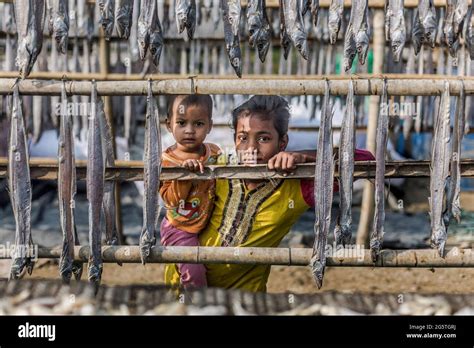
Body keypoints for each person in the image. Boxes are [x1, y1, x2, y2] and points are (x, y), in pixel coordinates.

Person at [165, 95, 375, 292]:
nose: (251, 148)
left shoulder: (297, 186)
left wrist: (304, 158)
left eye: (264, 139)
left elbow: (366, 160)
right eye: (243, 137)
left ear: (282, 143)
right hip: (181, 290)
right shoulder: (217, 167)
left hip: (244, 301)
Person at [160, 95, 221, 289]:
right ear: (169, 124)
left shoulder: (214, 152)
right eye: (181, 122)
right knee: (193, 272)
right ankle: (196, 304)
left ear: (210, 126)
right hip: (179, 228)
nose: (189, 130)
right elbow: (169, 199)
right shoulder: (167, 161)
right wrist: (184, 176)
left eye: (198, 124)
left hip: (207, 221)